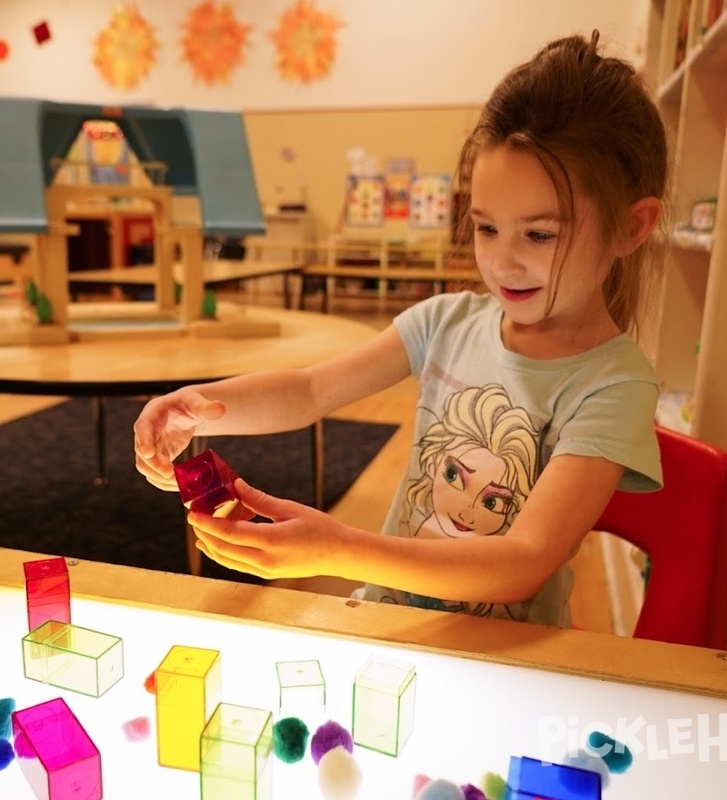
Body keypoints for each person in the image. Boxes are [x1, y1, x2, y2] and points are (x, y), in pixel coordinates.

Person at [132, 31, 669, 629]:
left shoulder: (613, 384)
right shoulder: (447, 322)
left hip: (507, 657)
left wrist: (338, 548)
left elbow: (525, 560)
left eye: (539, 234)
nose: (502, 261)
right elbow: (310, 390)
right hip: (391, 625)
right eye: (486, 228)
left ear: (631, 227)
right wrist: (198, 407)